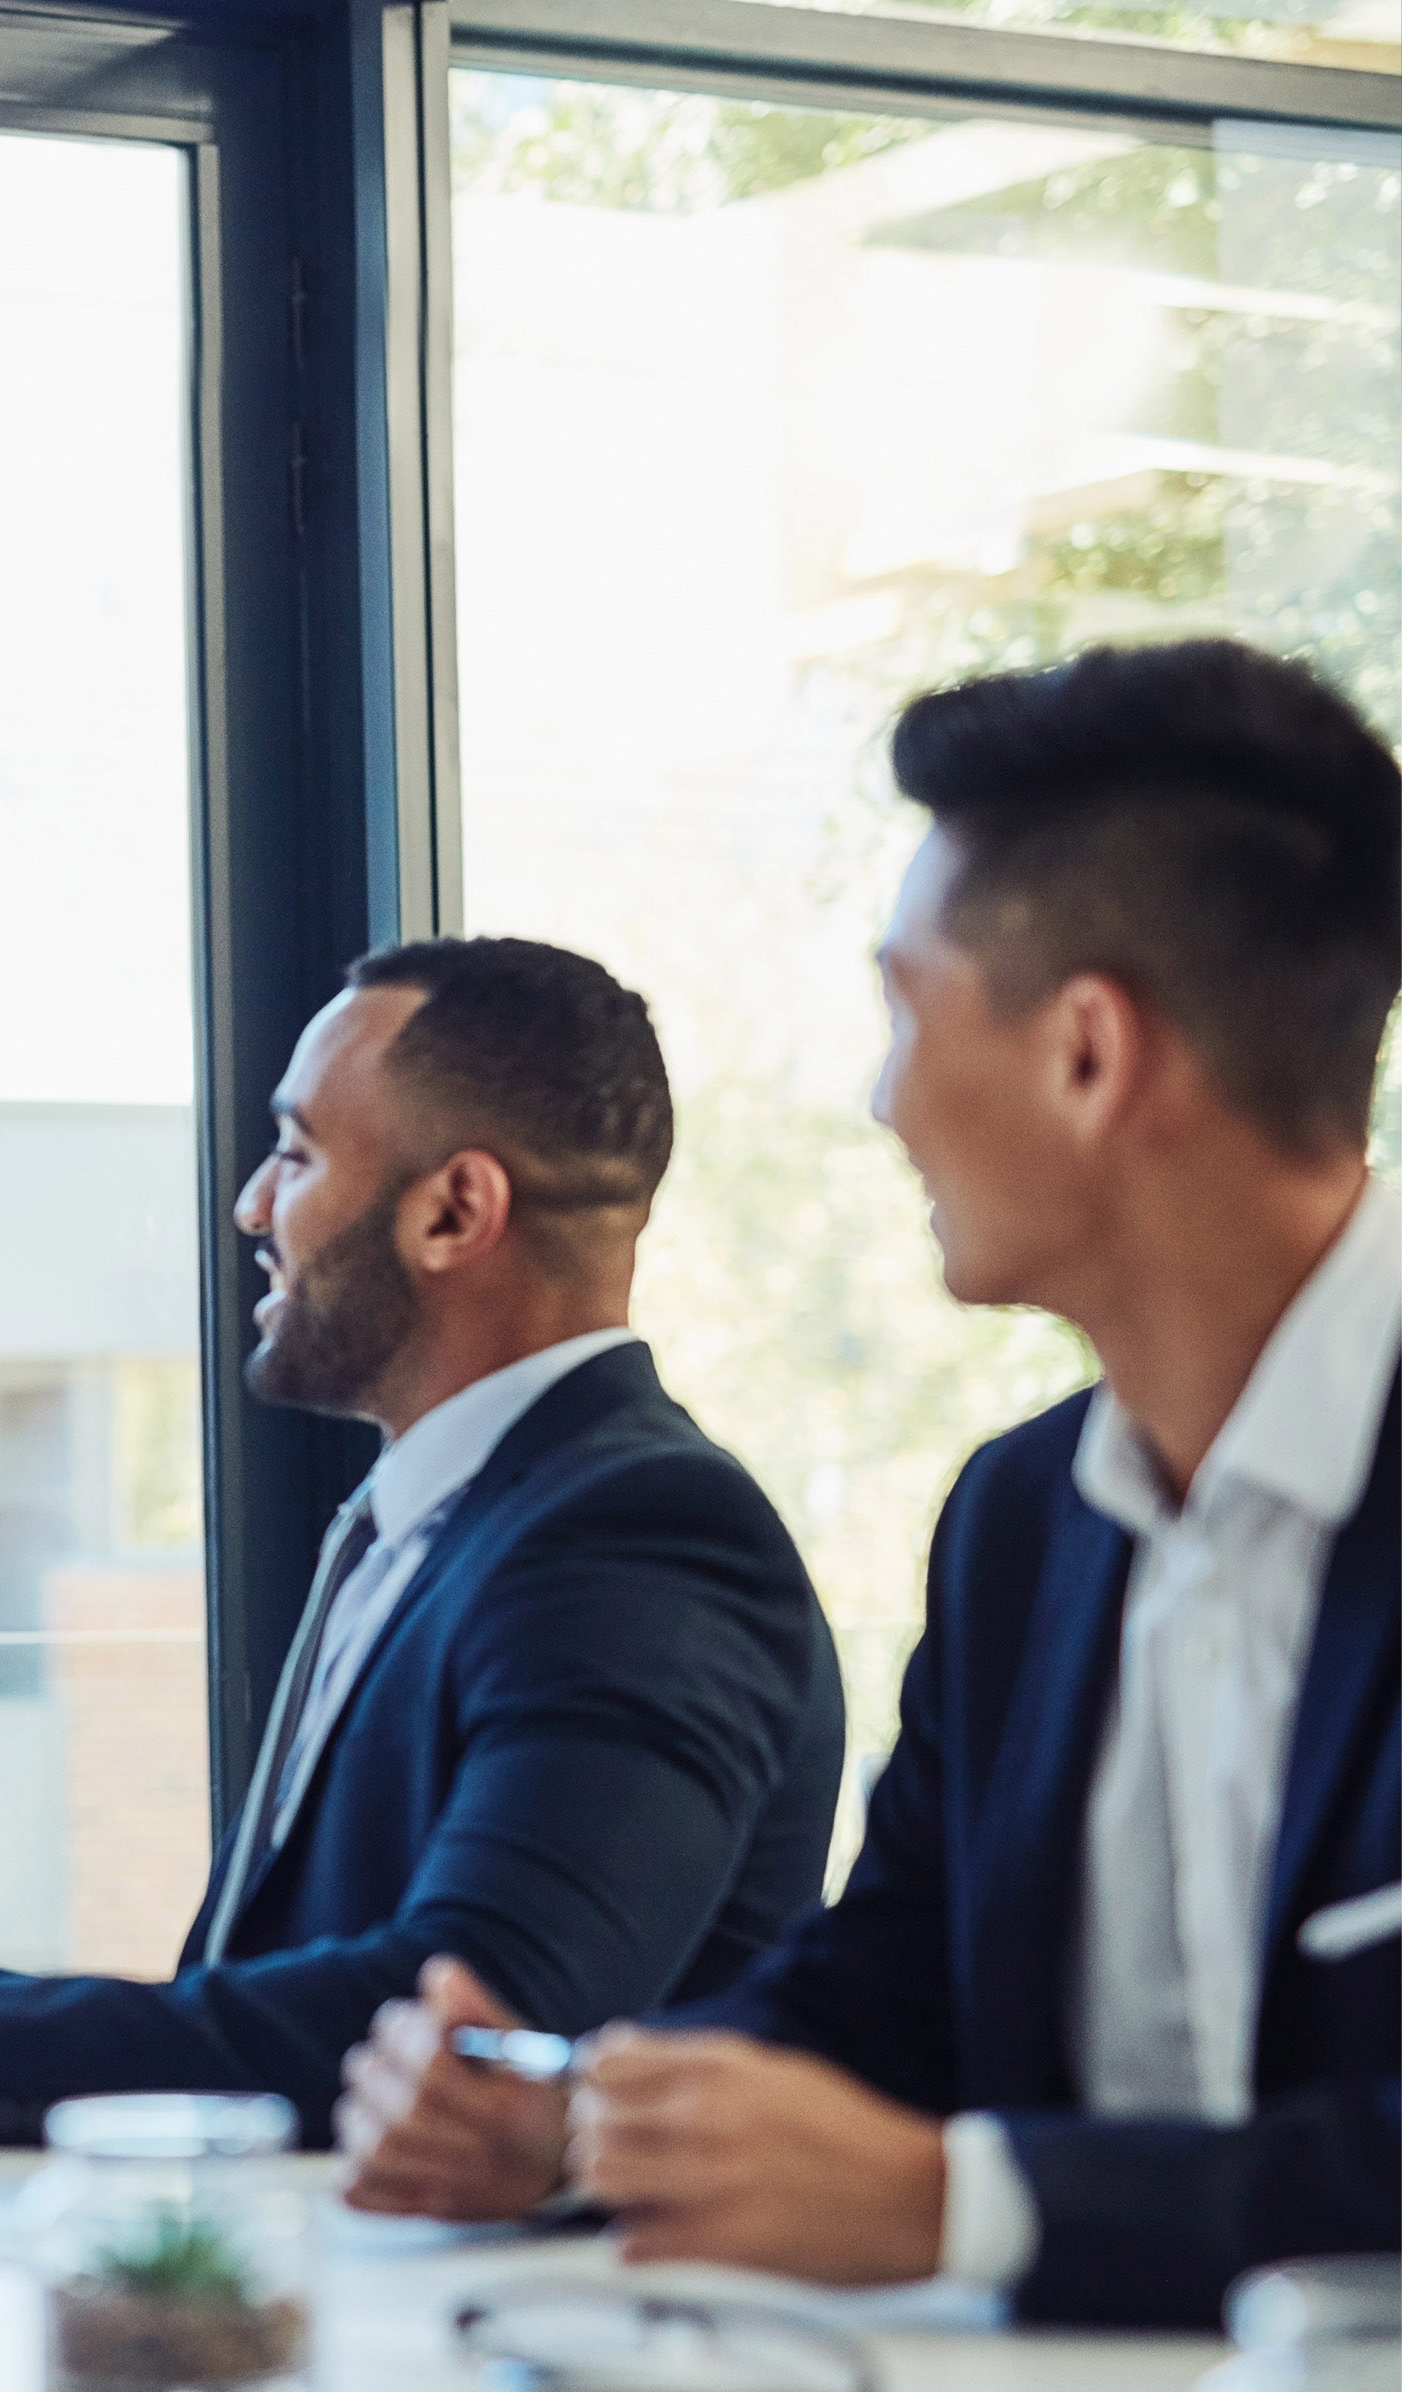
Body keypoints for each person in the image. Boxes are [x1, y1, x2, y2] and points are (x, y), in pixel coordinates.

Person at [337, 641, 1400, 2329]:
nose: (881, 1099)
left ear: (1087, 1055)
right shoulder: (1022, 1519)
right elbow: (883, 1993)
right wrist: (581, 2119)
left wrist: (963, 2205)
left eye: (906, 1013)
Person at [0, 938, 844, 2143]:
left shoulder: (642, 1538)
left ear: (453, 1211)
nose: (252, 1205)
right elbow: (273, 1982)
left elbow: (463, 2025)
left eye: (297, 1153)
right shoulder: (444, 1520)